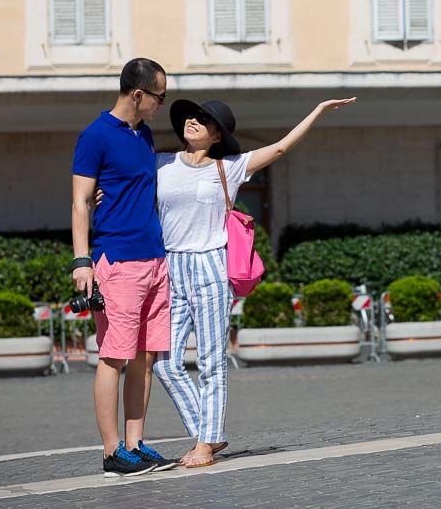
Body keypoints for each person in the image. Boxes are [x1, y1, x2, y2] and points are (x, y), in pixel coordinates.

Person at [151, 96, 356, 468]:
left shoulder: (228, 167)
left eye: (204, 120)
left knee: (212, 361)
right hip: (172, 267)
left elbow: (281, 147)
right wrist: (100, 194)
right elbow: (130, 190)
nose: (193, 122)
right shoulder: (161, 163)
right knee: (164, 363)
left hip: (212, 266)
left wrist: (318, 110)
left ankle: (204, 444)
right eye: (191, 117)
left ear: (216, 135)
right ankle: (208, 432)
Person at [71, 57, 179, 478]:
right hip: (117, 260)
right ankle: (111, 451)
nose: (161, 104)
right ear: (138, 94)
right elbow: (80, 200)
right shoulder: (95, 136)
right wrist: (82, 261)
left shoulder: (145, 134)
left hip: (154, 260)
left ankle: (135, 443)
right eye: (160, 96)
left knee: (145, 357)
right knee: (114, 356)